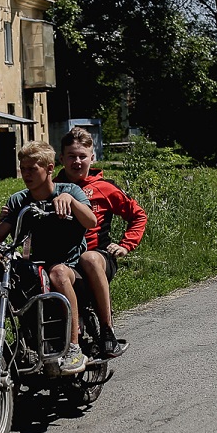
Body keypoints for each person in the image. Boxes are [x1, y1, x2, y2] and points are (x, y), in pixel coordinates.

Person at [0, 141, 97, 374]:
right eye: (23, 168)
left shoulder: (70, 190)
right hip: (33, 266)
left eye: (32, 168)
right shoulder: (18, 200)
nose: (26, 174)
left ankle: (74, 347)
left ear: (50, 168)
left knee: (57, 273)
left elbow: (91, 222)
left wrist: (70, 202)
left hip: (70, 265)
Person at [56, 126, 148, 358]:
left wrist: (126, 244)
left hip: (98, 256)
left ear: (92, 157)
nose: (77, 161)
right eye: (71, 156)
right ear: (61, 158)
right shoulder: (52, 188)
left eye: (82, 156)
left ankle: (107, 330)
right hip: (64, 259)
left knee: (89, 258)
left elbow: (138, 215)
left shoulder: (105, 188)